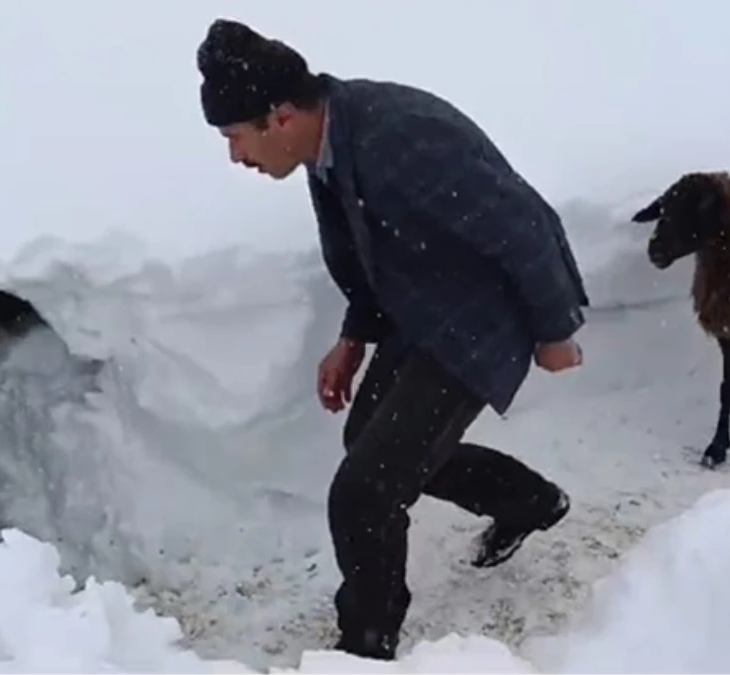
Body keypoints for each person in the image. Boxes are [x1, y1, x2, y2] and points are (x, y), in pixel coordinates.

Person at [195, 18, 591, 662]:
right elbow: (364, 253)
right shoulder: (327, 145)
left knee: (365, 489)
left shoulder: (399, 136)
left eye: (235, 137)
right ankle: (531, 500)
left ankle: (367, 643)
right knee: (369, 447)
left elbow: (521, 224)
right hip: (424, 309)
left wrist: (553, 329)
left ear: (282, 115)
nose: (235, 156)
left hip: (480, 316)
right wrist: (354, 336)